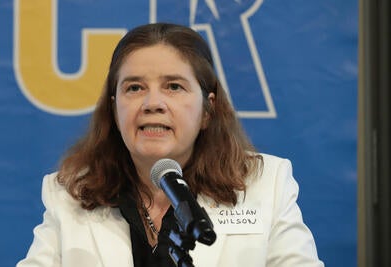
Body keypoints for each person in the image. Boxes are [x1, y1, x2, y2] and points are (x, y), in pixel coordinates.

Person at [17, 23, 324, 267]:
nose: (153, 103)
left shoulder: (266, 184)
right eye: (134, 87)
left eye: (173, 86)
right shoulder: (70, 194)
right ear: (114, 108)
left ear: (207, 109)